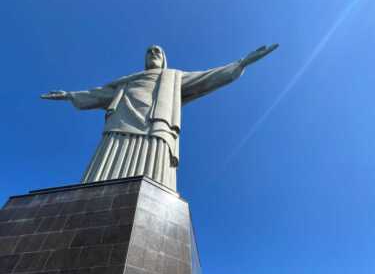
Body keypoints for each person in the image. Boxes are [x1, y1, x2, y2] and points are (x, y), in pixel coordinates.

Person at [41, 44, 278, 191]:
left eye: (158, 51)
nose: (153, 53)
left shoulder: (174, 77)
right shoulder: (127, 81)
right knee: (101, 174)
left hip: (156, 127)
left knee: (154, 182)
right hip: (120, 126)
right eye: (149, 51)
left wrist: (242, 63)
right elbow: (97, 94)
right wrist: (69, 95)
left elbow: (208, 77)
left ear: (164, 59)